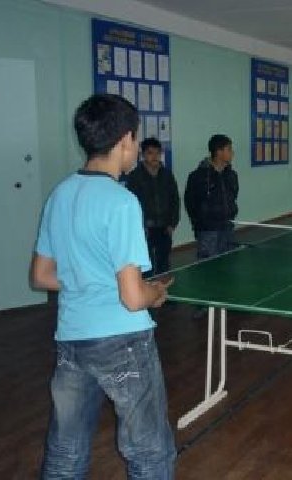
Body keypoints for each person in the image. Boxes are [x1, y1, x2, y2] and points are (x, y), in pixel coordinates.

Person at [31, 94, 176, 479]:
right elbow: (133, 298)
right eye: (137, 138)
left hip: (72, 340)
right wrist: (155, 293)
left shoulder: (60, 194)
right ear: (126, 139)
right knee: (149, 451)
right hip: (123, 342)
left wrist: (92, 280)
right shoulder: (122, 202)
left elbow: (42, 276)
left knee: (65, 452)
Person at [126, 137, 180, 276]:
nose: (155, 156)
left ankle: (164, 288)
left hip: (164, 228)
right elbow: (130, 206)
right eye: (150, 153)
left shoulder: (167, 175)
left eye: (157, 153)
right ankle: (146, 289)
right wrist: (139, 227)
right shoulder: (134, 177)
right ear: (143, 155)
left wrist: (172, 223)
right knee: (146, 267)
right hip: (144, 229)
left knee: (164, 265)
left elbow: (175, 200)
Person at [184, 134, 239, 259]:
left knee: (229, 263)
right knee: (208, 266)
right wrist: (199, 224)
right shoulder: (197, 176)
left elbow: (233, 196)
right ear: (219, 152)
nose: (232, 153)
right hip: (208, 232)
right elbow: (190, 203)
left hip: (228, 228)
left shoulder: (232, 175)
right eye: (229, 149)